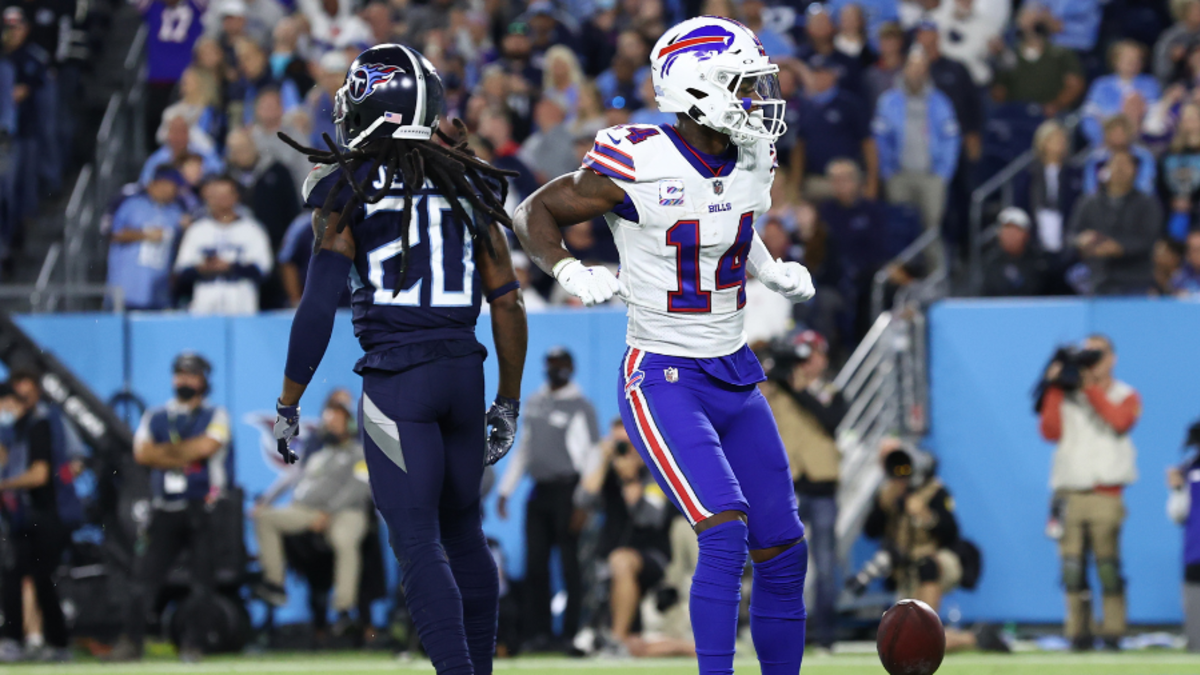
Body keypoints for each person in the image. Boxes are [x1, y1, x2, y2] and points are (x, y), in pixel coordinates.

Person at [513, 16, 816, 675]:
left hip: (734, 372)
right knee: (725, 531)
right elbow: (532, 210)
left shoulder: (751, 157)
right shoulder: (639, 159)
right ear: (699, 88)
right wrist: (569, 269)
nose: (758, 100)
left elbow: (724, 222)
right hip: (665, 376)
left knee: (784, 550)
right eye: (744, 84)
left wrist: (767, 269)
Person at [270, 44, 528, 675]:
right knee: (463, 532)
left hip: (398, 380)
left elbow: (318, 305)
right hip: (464, 373)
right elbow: (508, 301)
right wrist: (508, 400)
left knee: (417, 541)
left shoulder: (349, 187)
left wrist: (288, 403)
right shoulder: (466, 181)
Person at [109, 353, 233, 663]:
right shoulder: (156, 415)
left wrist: (163, 453)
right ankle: (131, 642)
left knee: (201, 583)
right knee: (142, 579)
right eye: (180, 374)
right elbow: (142, 454)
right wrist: (184, 453)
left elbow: (208, 446)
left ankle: (193, 644)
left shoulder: (216, 414)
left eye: (191, 375)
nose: (184, 380)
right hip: (165, 507)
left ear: (203, 380)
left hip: (202, 506)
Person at [1039, 335, 1140, 651]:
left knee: (1108, 566)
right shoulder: (1065, 394)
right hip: (1069, 493)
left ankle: (1113, 631)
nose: (1091, 360)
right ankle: (1078, 632)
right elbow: (1050, 431)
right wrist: (1054, 386)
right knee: (1071, 568)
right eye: (1086, 354)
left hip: (1105, 494)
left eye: (1098, 353)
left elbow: (1120, 422)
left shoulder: (1125, 394)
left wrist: (1091, 388)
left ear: (1112, 358)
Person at [495, 347, 599, 650]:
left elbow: (592, 455)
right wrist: (505, 491)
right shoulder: (535, 402)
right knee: (536, 564)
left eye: (560, 364)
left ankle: (570, 632)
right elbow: (525, 448)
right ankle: (537, 632)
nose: (555, 369)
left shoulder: (581, 405)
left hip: (568, 491)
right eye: (551, 364)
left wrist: (584, 501)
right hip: (539, 490)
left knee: (570, 565)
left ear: (571, 367)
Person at [253, 393, 371, 630]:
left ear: (349, 425)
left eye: (337, 421)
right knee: (265, 518)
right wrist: (267, 500)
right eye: (329, 422)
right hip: (308, 511)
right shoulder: (318, 454)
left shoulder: (360, 452)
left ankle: (343, 607)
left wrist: (328, 512)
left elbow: (358, 489)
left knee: (344, 540)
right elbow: (295, 479)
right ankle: (275, 584)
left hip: (346, 513)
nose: (331, 426)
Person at [760, 331, 846, 653]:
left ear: (823, 358)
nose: (806, 362)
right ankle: (779, 631)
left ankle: (826, 635)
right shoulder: (775, 389)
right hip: (787, 487)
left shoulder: (830, 392)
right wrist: (774, 368)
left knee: (824, 565)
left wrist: (794, 388)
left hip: (822, 488)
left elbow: (831, 420)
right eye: (802, 356)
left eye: (811, 355)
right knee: (780, 562)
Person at [577, 419, 676, 657]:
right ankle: (621, 641)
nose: (623, 450)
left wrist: (631, 480)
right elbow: (581, 501)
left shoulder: (656, 472)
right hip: (612, 559)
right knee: (635, 644)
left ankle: (617, 641)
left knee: (621, 560)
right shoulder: (607, 473)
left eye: (628, 443)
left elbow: (649, 519)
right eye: (618, 443)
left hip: (651, 556)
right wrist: (602, 463)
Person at [0, 377, 76, 663]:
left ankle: (55, 644)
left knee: (42, 579)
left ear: (10, 402)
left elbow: (39, 474)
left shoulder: (40, 425)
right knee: (14, 576)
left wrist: (4, 485)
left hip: (46, 516)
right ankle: (16, 641)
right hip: (23, 516)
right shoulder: (16, 431)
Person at [874, 46, 961, 269]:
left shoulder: (940, 102)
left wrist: (943, 173)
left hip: (931, 176)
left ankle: (937, 278)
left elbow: (951, 139)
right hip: (899, 175)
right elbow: (880, 139)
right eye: (913, 67)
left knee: (931, 229)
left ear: (927, 71)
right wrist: (887, 170)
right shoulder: (888, 101)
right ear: (904, 69)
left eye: (921, 67)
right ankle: (903, 280)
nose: (916, 72)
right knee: (899, 228)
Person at [173, 175, 273, 314]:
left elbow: (262, 270)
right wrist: (205, 268)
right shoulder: (197, 230)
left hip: (242, 306)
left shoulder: (252, 229)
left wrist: (230, 267)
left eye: (226, 194)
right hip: (204, 308)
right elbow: (182, 272)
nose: (221, 199)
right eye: (216, 195)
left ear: (236, 196)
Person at [1068, 150, 1162, 295]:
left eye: (1125, 165)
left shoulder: (1147, 203)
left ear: (1135, 171)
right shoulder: (1089, 203)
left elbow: (1150, 239)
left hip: (1136, 279)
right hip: (1097, 280)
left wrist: (1119, 247)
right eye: (1115, 164)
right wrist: (1080, 240)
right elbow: (1071, 234)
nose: (1120, 169)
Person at [791, 53, 877, 202]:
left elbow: (868, 143)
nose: (818, 77)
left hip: (848, 180)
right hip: (816, 180)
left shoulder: (850, 104)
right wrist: (796, 185)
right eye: (815, 73)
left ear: (834, 75)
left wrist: (872, 182)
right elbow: (799, 147)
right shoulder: (804, 106)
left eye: (823, 72)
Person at [105, 167, 188, 310]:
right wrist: (145, 235)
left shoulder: (176, 212)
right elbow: (114, 234)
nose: (172, 191)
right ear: (154, 184)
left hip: (159, 295)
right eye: (169, 185)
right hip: (126, 291)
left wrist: (187, 230)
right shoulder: (132, 205)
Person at [991, 6, 1085, 117]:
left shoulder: (1060, 53)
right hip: (1016, 113)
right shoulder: (1010, 55)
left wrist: (1056, 105)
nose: (1031, 29)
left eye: (1035, 23)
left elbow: (1075, 85)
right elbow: (999, 90)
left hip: (1051, 114)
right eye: (1027, 23)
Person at [1082, 41, 1162, 146]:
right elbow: (1088, 118)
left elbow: (1156, 117)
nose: (1132, 62)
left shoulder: (1150, 84)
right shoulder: (1101, 85)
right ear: (1115, 61)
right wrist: (1102, 140)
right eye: (1127, 58)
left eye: (1137, 59)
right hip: (1105, 144)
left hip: (1142, 143)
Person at [1168, 420, 1200, 652]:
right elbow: (1178, 513)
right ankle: (1196, 642)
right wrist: (1177, 489)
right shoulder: (1188, 469)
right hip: (1195, 549)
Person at [980, 206, 1049, 297]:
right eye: (1007, 230)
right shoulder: (990, 262)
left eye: (1016, 230)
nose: (1010, 235)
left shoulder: (1040, 263)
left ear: (1026, 234)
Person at [1082, 116, 1157, 196]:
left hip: (1137, 200)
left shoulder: (1143, 157)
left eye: (1122, 132)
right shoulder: (1096, 160)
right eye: (1114, 132)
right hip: (1103, 201)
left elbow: (1146, 186)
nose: (1118, 136)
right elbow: (1090, 189)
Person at [1155, 0, 1200, 83]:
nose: (1198, 12)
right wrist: (1172, 59)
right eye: (1195, 9)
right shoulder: (1171, 37)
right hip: (1176, 83)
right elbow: (1160, 70)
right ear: (1184, 11)